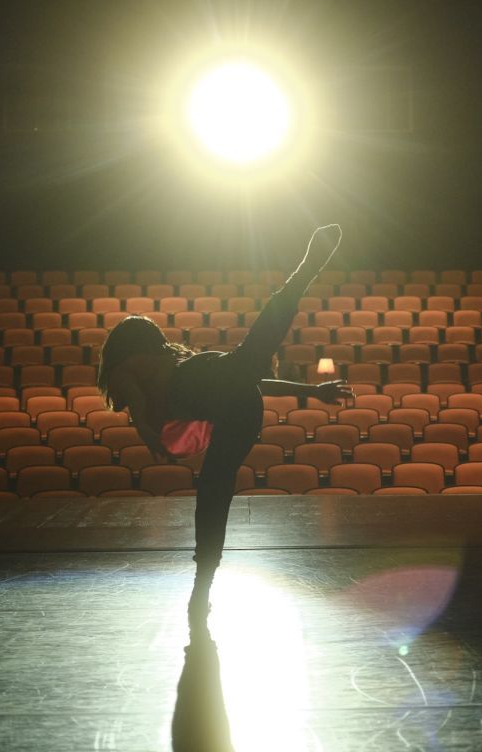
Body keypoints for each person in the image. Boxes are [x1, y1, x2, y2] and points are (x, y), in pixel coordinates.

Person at [98, 225, 349, 615]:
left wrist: (152, 441)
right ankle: (302, 275)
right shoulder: (149, 363)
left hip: (220, 399)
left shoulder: (130, 368)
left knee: (214, 491)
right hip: (237, 402)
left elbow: (139, 414)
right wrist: (311, 392)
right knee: (248, 364)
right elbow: (250, 378)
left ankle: (203, 584)